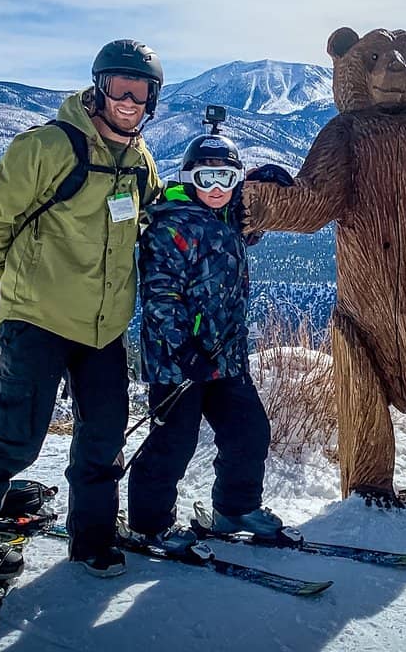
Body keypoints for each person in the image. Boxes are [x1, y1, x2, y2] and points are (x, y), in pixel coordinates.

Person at [0, 39, 164, 580]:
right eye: (121, 89)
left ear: (153, 99)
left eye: (142, 92)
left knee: (104, 434)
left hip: (104, 326)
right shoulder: (46, 148)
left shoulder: (139, 161)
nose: (130, 101)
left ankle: (93, 536)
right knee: (16, 435)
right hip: (38, 317)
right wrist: (2, 288)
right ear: (99, 89)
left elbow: (148, 220)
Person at [126, 129, 282, 554]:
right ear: (188, 177)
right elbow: (160, 295)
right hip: (180, 360)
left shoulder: (228, 214)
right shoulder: (169, 225)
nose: (216, 188)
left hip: (226, 356)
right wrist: (183, 349)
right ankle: (148, 524)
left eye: (226, 179)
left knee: (249, 432)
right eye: (207, 178)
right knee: (174, 442)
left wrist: (267, 182)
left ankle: (236, 507)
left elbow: (246, 223)